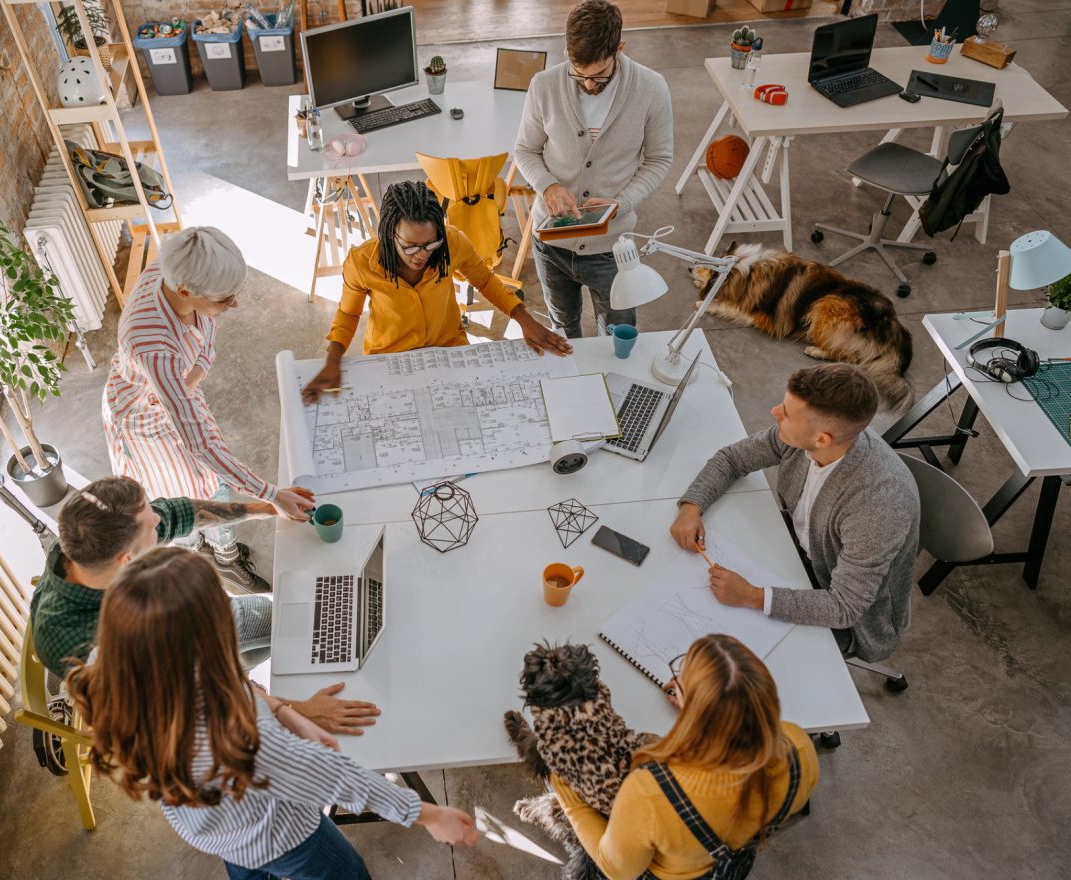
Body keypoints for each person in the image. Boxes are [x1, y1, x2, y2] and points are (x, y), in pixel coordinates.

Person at [68, 547, 479, 879]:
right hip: (284, 837)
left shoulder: (114, 662)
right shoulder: (238, 734)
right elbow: (333, 776)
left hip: (210, 823)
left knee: (245, 861)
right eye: (221, 605)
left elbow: (216, 680)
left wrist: (285, 710)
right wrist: (428, 814)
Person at [30, 477, 380, 736]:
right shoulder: (83, 645)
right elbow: (194, 700)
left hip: (201, 627)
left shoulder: (87, 544)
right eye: (151, 524)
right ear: (127, 562)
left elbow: (180, 514)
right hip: (180, 680)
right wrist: (299, 712)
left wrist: (269, 507)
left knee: (300, 626)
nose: (158, 521)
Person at [104, 226, 314, 593]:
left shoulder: (175, 266)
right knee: (195, 490)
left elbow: (209, 328)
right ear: (186, 291)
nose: (233, 305)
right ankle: (210, 552)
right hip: (145, 418)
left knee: (211, 479)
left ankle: (223, 549)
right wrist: (271, 494)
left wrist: (194, 375)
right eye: (225, 299)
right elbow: (200, 446)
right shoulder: (152, 344)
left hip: (176, 388)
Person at [670, 364, 921, 662]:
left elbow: (844, 607)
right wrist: (691, 507)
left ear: (822, 440)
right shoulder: (805, 441)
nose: (775, 411)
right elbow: (732, 458)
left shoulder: (878, 506)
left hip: (840, 604)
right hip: (794, 554)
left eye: (787, 413)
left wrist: (751, 596)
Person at [552, 634, 819, 880]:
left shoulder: (651, 791)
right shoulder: (799, 747)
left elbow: (616, 869)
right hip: (734, 865)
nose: (676, 680)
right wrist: (702, 712)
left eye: (682, 674)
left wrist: (569, 793)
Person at [301, 180, 570, 403]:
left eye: (430, 244)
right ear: (388, 233)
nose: (421, 256)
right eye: (410, 246)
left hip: (449, 350)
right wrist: (333, 359)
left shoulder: (452, 242)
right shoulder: (360, 262)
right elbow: (348, 314)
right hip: (389, 359)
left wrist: (525, 319)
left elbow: (485, 281)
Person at [513, 0, 674, 338]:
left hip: (611, 249)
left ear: (620, 48)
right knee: (562, 330)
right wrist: (548, 186)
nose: (587, 84)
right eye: (578, 73)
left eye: (598, 74)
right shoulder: (543, 86)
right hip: (551, 244)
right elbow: (525, 150)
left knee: (619, 334)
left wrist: (622, 203)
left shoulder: (651, 88)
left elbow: (659, 159)